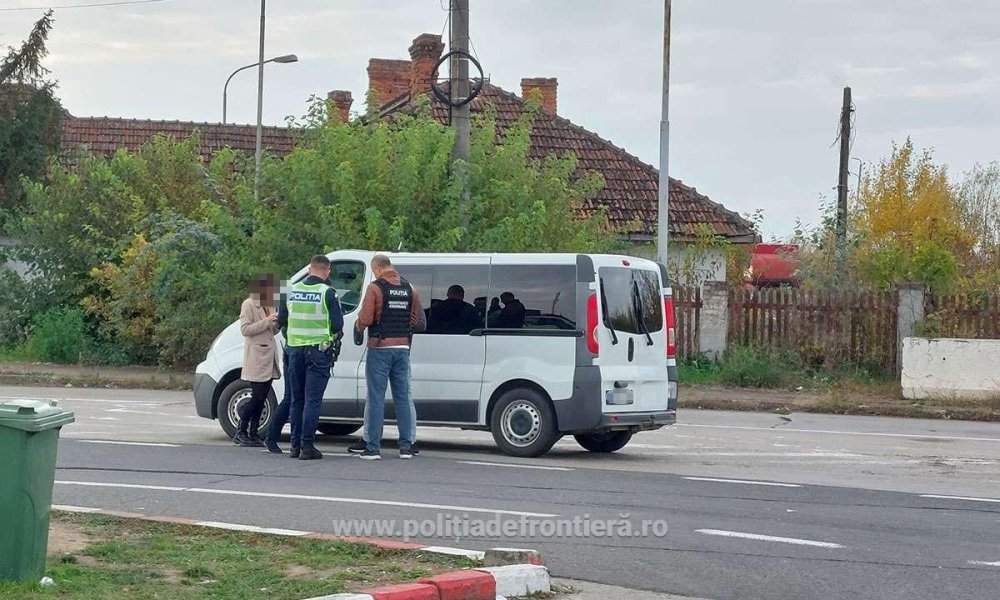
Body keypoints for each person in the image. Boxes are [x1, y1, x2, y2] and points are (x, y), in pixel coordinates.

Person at [351, 254, 425, 460]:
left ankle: (373, 447)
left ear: (376, 269)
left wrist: (358, 327)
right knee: (403, 397)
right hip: (403, 348)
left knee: (376, 398)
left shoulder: (375, 288)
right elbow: (415, 320)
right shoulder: (410, 288)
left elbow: (365, 318)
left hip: (380, 348)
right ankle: (406, 447)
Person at [277, 255, 344, 460]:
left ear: (309, 269)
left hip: (294, 351)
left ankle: (294, 447)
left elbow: (281, 321)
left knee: (297, 399)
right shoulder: (328, 293)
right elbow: (337, 326)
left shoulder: (289, 290)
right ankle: (307, 447)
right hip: (317, 352)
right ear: (327, 271)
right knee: (312, 401)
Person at [236, 273, 280, 447]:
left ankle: (253, 432)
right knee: (256, 396)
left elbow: (272, 331)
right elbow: (246, 329)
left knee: (263, 397)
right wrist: (267, 320)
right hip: (256, 356)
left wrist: (275, 323)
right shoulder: (249, 305)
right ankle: (241, 430)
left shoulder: (270, 305)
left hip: (269, 356)